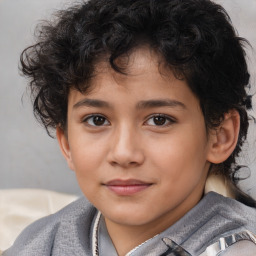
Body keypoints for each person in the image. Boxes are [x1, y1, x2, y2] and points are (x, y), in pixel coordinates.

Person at [3, 0, 256, 255]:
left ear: (220, 136)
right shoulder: (40, 242)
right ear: (67, 143)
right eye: (97, 120)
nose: (124, 154)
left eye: (159, 120)